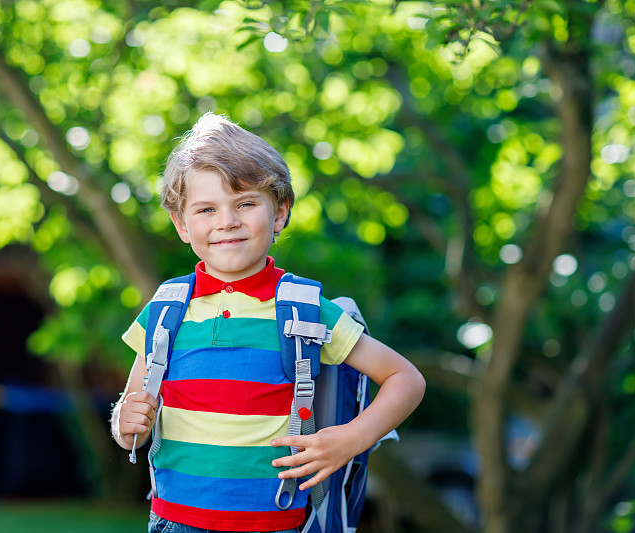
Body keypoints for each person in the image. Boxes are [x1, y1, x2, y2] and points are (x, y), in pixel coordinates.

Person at [114, 113, 425, 533]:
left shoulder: (304, 309)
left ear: (279, 213)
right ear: (182, 224)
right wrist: (125, 422)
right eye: (206, 209)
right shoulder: (166, 308)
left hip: (274, 523)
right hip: (174, 522)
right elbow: (132, 419)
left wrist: (350, 440)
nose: (227, 221)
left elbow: (406, 379)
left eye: (245, 203)